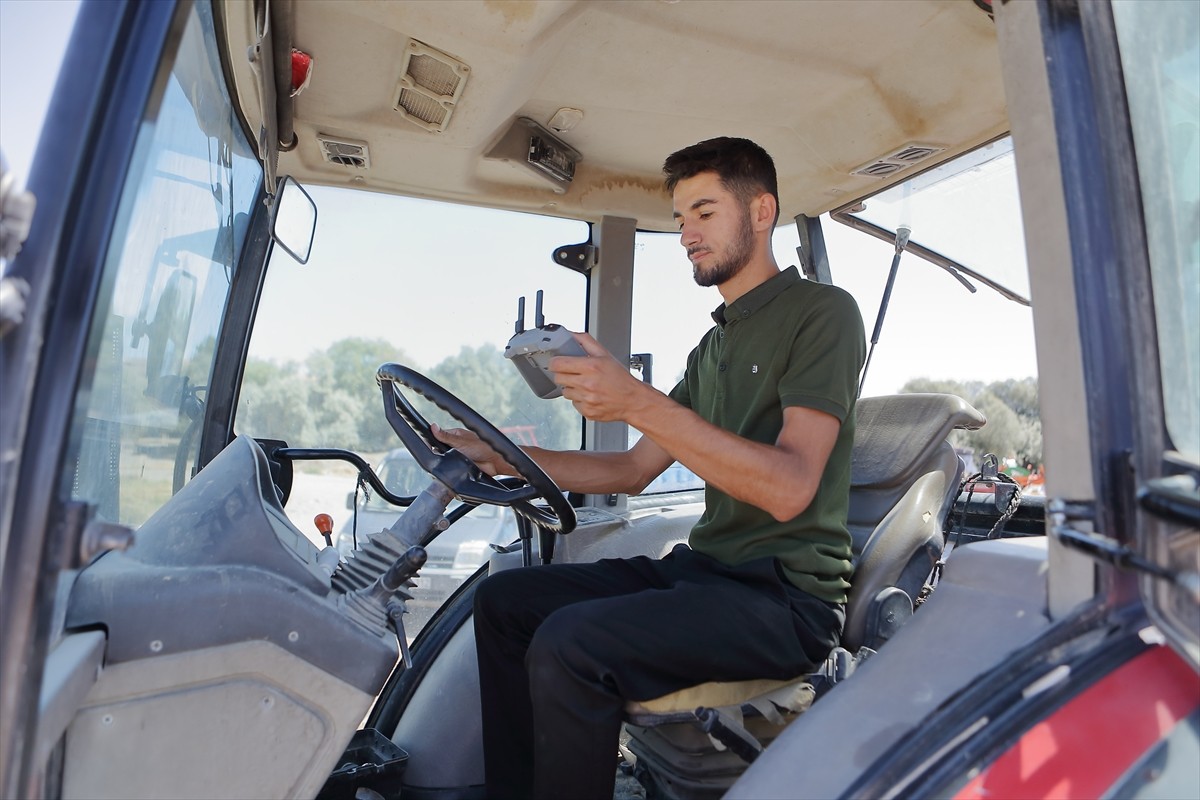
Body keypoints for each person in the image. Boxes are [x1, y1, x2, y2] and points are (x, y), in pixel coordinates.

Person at [432, 136, 866, 799]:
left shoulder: (824, 314)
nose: (687, 234)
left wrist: (634, 398)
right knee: (505, 601)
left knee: (572, 643)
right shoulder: (712, 347)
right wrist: (500, 454)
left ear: (761, 212)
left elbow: (788, 488)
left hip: (786, 600)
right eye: (680, 219)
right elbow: (633, 470)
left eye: (704, 211)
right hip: (706, 574)